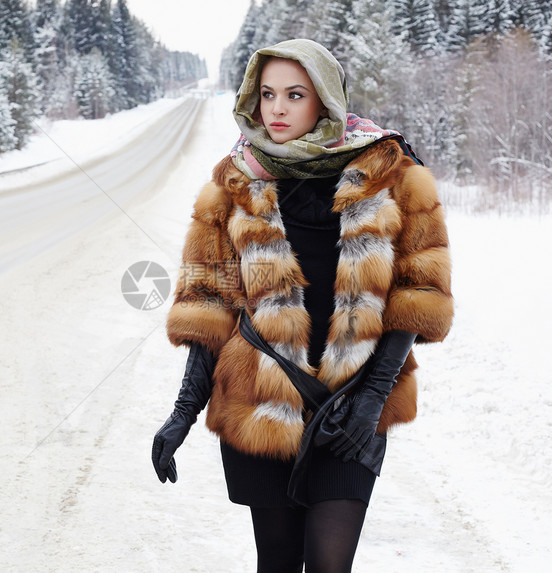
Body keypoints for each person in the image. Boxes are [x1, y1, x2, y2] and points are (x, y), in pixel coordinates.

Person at [152, 38, 453, 572]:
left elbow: (418, 294)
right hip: (259, 407)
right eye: (268, 95)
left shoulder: (392, 174)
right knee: (278, 563)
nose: (278, 109)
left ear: (326, 100)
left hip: (350, 405)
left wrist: (372, 397)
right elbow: (207, 309)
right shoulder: (234, 183)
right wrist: (182, 414)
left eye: (295, 94)